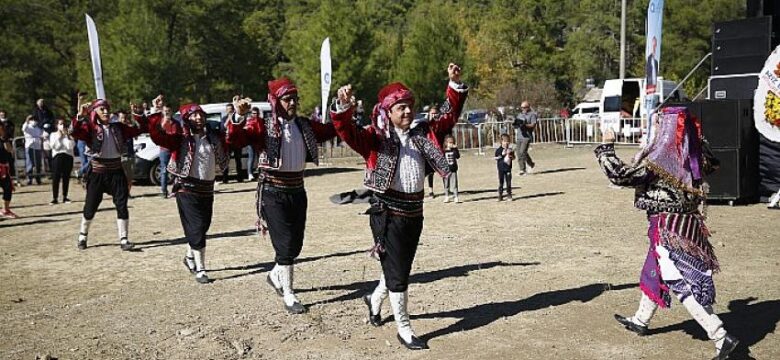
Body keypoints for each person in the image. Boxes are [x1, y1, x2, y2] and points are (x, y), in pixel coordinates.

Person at [331, 63, 467, 350]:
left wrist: (453, 84)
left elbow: (449, 114)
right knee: (398, 273)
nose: (407, 111)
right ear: (388, 112)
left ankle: (374, 299)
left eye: (409, 106)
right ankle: (404, 328)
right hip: (386, 214)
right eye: (400, 108)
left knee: (399, 268)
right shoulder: (374, 138)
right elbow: (346, 131)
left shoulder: (424, 132)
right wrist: (343, 107)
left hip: (414, 214)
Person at [596, 107, 738, 360]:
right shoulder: (692, 151)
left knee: (680, 281)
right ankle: (641, 319)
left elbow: (621, 176)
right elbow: (711, 162)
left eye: (660, 124)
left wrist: (606, 147)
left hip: (669, 228)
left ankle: (719, 335)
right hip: (687, 225)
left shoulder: (663, 157)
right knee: (656, 269)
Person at [225, 78, 336, 314]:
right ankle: (289, 293)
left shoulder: (304, 125)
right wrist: (238, 118)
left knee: (295, 245)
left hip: (297, 190)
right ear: (275, 101)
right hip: (272, 192)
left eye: (295, 98)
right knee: (284, 245)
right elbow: (235, 140)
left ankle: (276, 275)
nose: (292, 103)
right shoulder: (261, 126)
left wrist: (342, 108)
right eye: (287, 99)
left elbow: (330, 131)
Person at [148, 95, 229, 284]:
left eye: (200, 115)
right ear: (186, 119)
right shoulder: (180, 139)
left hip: (207, 190)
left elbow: (232, 138)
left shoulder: (213, 138)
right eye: (193, 116)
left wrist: (238, 116)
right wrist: (156, 113)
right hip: (186, 189)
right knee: (197, 228)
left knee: (203, 226)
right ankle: (201, 269)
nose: (198, 118)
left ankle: (190, 256)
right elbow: (158, 136)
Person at [70, 98, 148, 251]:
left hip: (116, 171)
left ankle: (124, 239)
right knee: (90, 206)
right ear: (95, 112)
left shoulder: (118, 127)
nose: (105, 112)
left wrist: (137, 113)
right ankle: (82, 235)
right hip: (97, 172)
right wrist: (80, 116)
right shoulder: (89, 128)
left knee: (122, 204)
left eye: (107, 109)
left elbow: (139, 129)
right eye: (101, 109)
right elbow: (73, 132)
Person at [49, 118, 75, 204]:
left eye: (63, 124)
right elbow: (54, 146)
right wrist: (59, 138)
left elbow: (70, 146)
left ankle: (65, 196)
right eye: (60, 124)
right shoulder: (53, 135)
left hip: (68, 157)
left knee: (66, 177)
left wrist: (66, 136)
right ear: (57, 125)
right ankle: (55, 197)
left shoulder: (69, 135)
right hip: (57, 157)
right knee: (56, 178)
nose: (62, 126)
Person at [220, 103, 243, 184]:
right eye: (228, 109)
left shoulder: (237, 117)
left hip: (236, 142)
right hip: (227, 142)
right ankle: (225, 178)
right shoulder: (224, 118)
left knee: (238, 160)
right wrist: (229, 119)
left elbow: (240, 125)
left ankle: (240, 177)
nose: (229, 111)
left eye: (231, 109)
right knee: (226, 160)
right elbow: (223, 127)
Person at [512, 101, 536, 175]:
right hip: (519, 136)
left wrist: (525, 125)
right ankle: (525, 167)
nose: (523, 109)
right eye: (522, 107)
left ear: (528, 107)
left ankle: (524, 169)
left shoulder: (532, 115)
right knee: (519, 153)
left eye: (524, 107)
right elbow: (516, 124)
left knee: (522, 152)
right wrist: (515, 124)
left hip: (527, 136)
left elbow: (533, 125)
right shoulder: (519, 115)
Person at [0, 123, 18, 218]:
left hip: (3, 168)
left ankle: (5, 210)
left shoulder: (4, 139)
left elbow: (10, 150)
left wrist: (4, 139)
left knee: (8, 188)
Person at [156, 105, 174, 198]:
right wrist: (164, 123)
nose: (167, 112)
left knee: (176, 170)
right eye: (165, 111)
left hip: (173, 150)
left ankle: (175, 190)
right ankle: (164, 191)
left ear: (171, 111)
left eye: (168, 110)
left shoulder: (175, 123)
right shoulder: (160, 122)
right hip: (164, 150)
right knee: (164, 171)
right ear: (162, 112)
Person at [118, 110, 136, 194]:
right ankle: (122, 192)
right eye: (122, 118)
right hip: (121, 156)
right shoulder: (116, 130)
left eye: (125, 118)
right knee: (121, 177)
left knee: (130, 177)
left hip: (130, 155)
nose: (123, 120)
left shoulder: (129, 128)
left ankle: (128, 193)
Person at [22, 115, 44, 185]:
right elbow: (23, 128)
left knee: (38, 164)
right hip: (29, 146)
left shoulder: (38, 128)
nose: (34, 121)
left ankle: (38, 179)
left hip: (37, 147)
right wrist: (27, 120)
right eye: (32, 120)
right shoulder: (27, 127)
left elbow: (42, 135)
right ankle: (29, 179)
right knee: (30, 164)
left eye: (35, 120)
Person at [424, 104, 441, 199]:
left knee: (433, 171)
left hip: (436, 149)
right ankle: (426, 190)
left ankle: (432, 190)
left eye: (436, 113)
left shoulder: (439, 123)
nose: (434, 115)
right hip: (426, 148)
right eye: (432, 113)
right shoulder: (427, 123)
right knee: (425, 171)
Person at [495, 133, 514, 201]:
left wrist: (511, 156)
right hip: (501, 169)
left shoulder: (510, 150)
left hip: (508, 168)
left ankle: (509, 194)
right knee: (501, 182)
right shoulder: (499, 150)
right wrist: (502, 154)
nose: (506, 143)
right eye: (504, 141)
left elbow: (513, 157)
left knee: (508, 182)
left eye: (508, 141)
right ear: (501, 142)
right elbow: (497, 157)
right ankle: (500, 194)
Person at [442, 134, 460, 203]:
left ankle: (456, 196)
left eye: (452, 142)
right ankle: (447, 196)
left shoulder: (454, 150)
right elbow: (441, 159)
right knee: (446, 184)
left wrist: (455, 149)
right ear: (446, 143)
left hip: (453, 169)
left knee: (454, 184)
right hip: (445, 170)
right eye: (449, 142)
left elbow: (458, 156)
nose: (450, 144)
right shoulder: (444, 151)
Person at [246, 107, 261, 181]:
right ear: (251, 114)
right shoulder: (249, 121)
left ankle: (261, 173)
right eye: (254, 113)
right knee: (251, 158)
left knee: (260, 158)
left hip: (259, 141)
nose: (256, 115)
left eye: (257, 113)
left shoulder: (261, 120)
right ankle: (250, 173)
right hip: (251, 142)